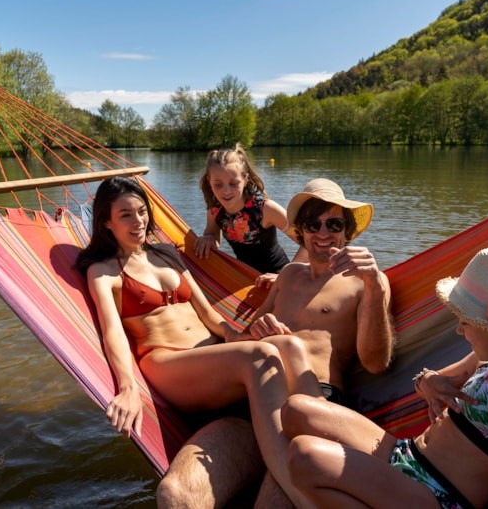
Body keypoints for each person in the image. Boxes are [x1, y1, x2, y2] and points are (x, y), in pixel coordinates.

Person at [75, 176, 323, 506]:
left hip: (210, 353)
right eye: (126, 215)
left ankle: (323, 433)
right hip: (167, 361)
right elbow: (112, 331)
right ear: (106, 222)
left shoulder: (166, 253)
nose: (138, 221)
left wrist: (238, 336)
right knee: (260, 357)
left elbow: (207, 313)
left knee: (287, 345)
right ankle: (295, 483)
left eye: (142, 212)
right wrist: (127, 386)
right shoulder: (103, 271)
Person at [157, 178, 396, 507]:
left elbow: (375, 363)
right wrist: (257, 330)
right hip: (251, 399)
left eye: (334, 224)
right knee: (174, 494)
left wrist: (375, 287)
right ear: (300, 231)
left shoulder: (366, 282)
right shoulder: (288, 275)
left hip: (315, 405)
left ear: (347, 231)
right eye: (312, 223)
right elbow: (245, 337)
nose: (323, 233)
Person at [283, 246, 488, 509]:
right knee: (296, 409)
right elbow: (429, 383)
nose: (459, 330)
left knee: (305, 457)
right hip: (407, 454)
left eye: (466, 321)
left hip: (432, 494)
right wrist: (428, 382)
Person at [195, 143, 307, 288]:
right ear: (209, 182)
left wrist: (285, 276)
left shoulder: (265, 209)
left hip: (279, 280)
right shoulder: (215, 209)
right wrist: (209, 238)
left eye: (233, 183)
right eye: (218, 185)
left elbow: (309, 241)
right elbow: (213, 235)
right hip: (246, 281)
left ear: (245, 179)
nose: (226, 191)